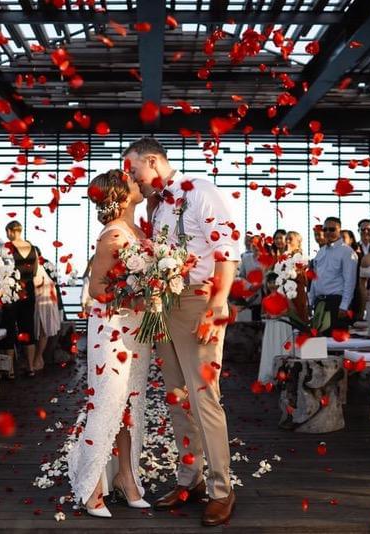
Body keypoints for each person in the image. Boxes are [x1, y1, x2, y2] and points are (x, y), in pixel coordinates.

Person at [124, 137, 239, 527]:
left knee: (204, 396)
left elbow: (227, 252)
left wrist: (216, 306)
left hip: (198, 304)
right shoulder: (156, 207)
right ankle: (191, 480)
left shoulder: (201, 192)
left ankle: (223, 490)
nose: (131, 178)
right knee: (176, 397)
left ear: (153, 161)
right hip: (165, 304)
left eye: (133, 169)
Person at [67, 169, 151, 518]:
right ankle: (92, 486)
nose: (139, 182)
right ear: (122, 194)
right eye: (133, 180)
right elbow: (97, 289)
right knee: (106, 402)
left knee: (130, 404)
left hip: (135, 327)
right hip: (113, 327)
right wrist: (140, 295)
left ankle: (126, 477)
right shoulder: (114, 236)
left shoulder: (139, 231)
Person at [258, 231, 308, 383]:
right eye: (286, 239)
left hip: (295, 295)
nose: (286, 241)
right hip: (281, 295)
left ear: (298, 242)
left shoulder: (301, 258)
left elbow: (304, 278)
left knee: (297, 327)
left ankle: (295, 368)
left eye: (290, 239)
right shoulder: (280, 257)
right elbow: (271, 276)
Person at [1, 221, 41, 376]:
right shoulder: (33, 248)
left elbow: (2, 270)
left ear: (10, 231)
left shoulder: (7, 247)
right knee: (27, 327)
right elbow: (35, 271)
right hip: (29, 289)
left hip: (12, 290)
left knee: (10, 326)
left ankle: (10, 370)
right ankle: (30, 367)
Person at [308, 217, 358, 334]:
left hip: (336, 302)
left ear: (339, 231)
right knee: (320, 343)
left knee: (336, 346)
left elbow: (350, 281)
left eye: (332, 229)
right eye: (325, 229)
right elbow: (315, 279)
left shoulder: (347, 252)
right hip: (319, 302)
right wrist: (311, 301)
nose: (328, 232)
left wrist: (344, 305)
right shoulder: (321, 251)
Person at [32, 258, 63, 372]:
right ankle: (38, 358)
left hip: (43, 303)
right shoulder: (45, 267)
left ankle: (38, 358)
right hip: (45, 302)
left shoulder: (40, 269)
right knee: (41, 331)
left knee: (42, 331)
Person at [237, 235, 262, 321]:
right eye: (253, 244)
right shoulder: (245, 258)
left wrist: (261, 284)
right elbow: (241, 276)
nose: (256, 247)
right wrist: (249, 286)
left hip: (265, 295)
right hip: (251, 297)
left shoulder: (268, 258)